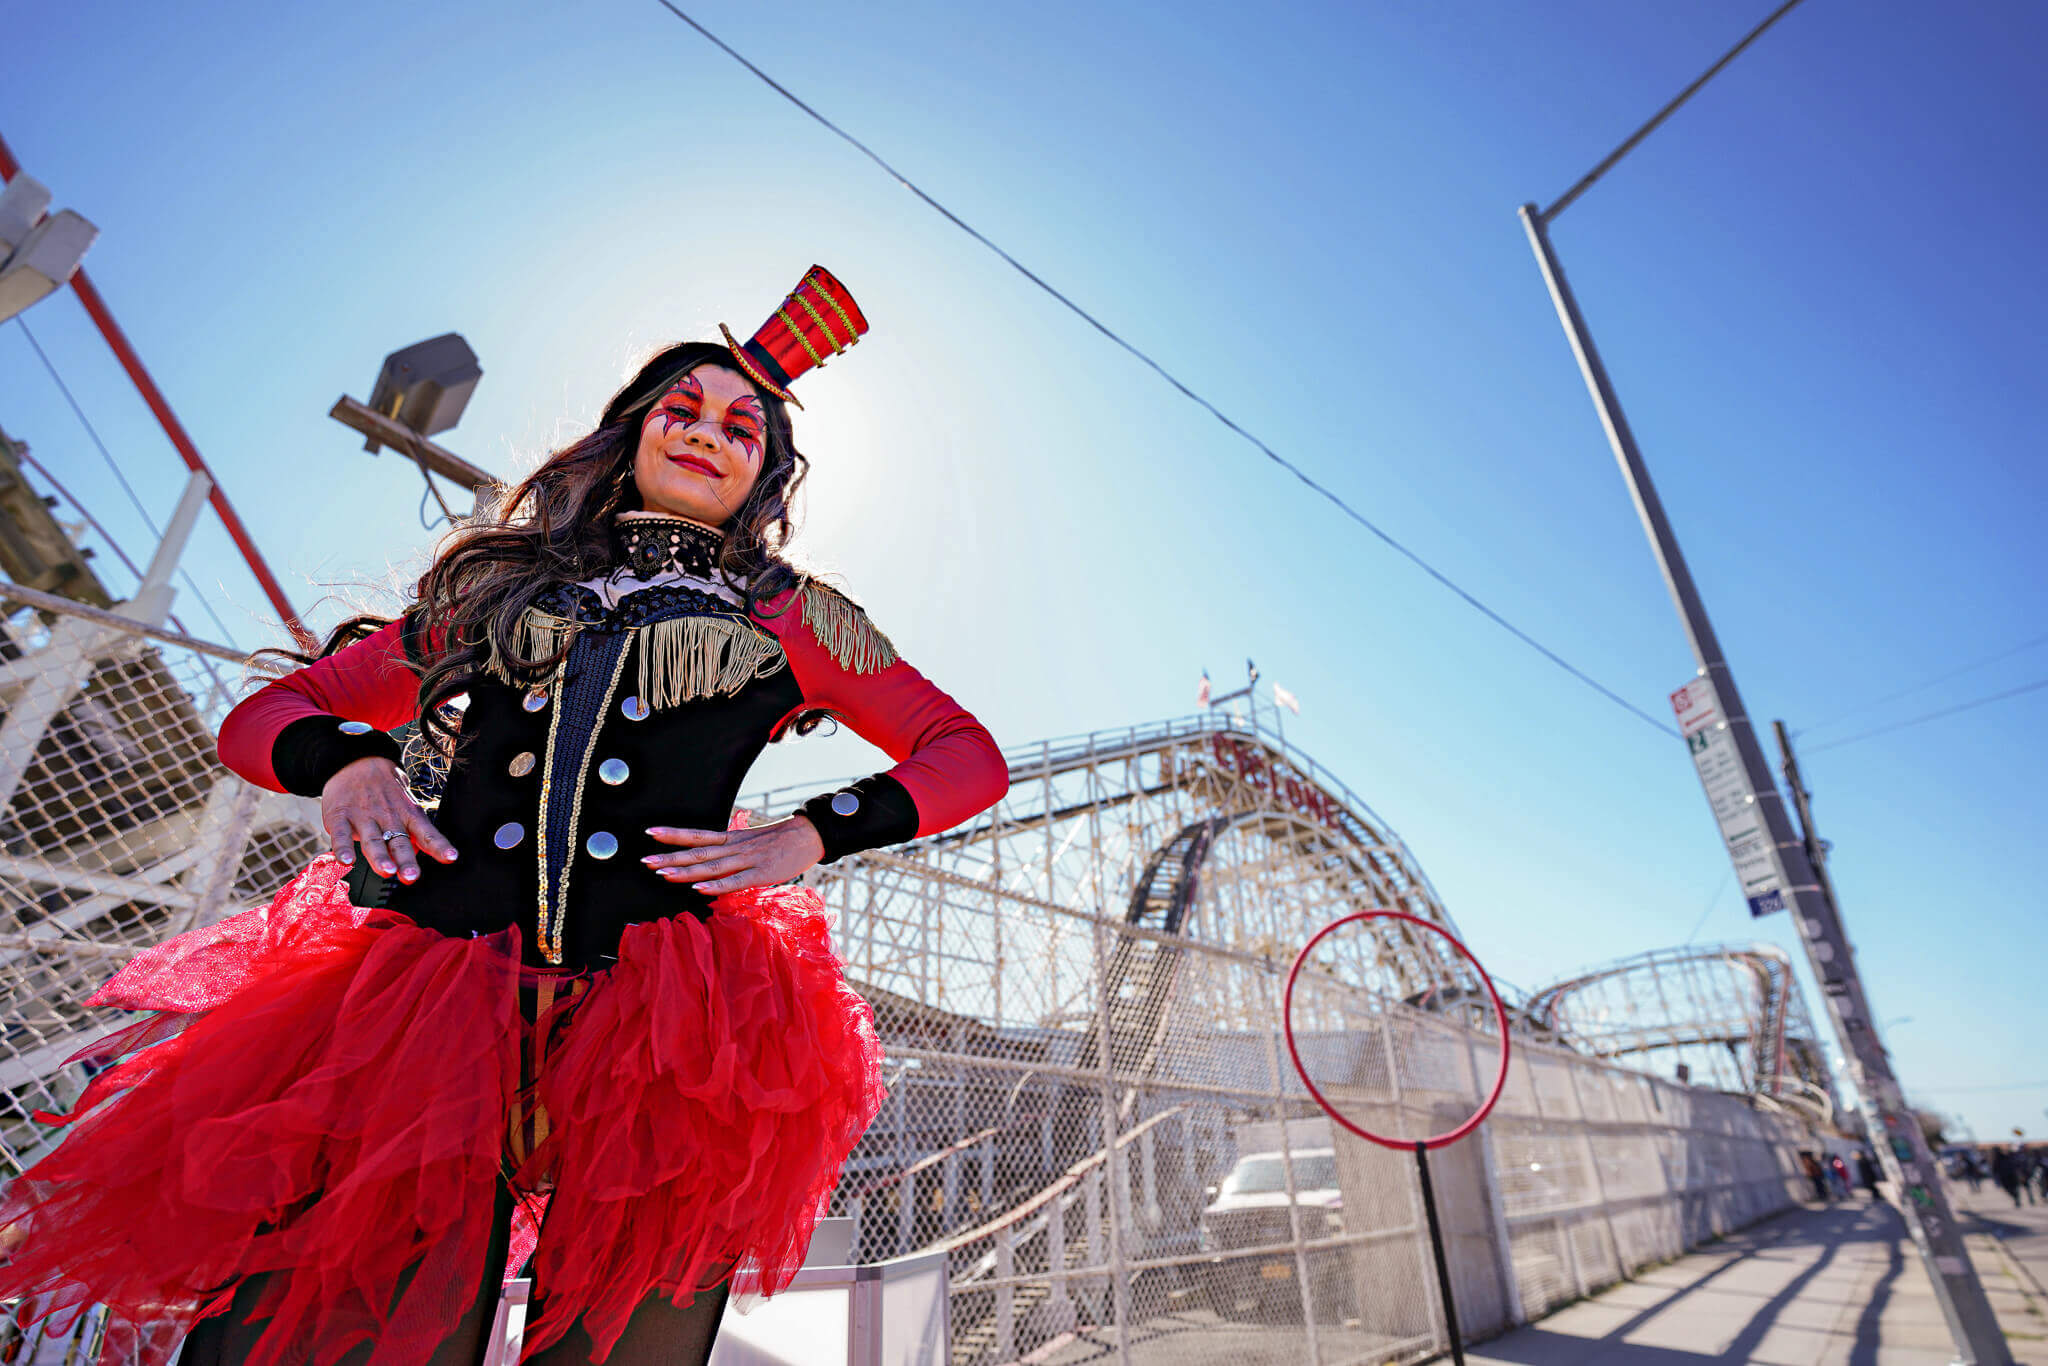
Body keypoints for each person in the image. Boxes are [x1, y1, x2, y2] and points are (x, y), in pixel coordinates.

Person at [0, 267, 1009, 1366]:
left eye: (742, 428)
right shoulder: (493, 590)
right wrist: (348, 767)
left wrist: (808, 833)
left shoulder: (793, 614)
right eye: (682, 409)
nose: (707, 434)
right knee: (352, 1331)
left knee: (619, 1345)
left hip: (671, 1034)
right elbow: (265, 716)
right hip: (425, 1007)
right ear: (627, 432)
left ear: (764, 474)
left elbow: (967, 757)